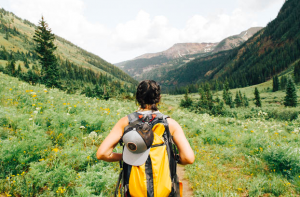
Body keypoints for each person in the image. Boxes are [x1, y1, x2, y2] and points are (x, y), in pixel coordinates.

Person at [96, 80, 194, 196]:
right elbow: (188, 158)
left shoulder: (126, 122)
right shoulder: (170, 124)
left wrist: (127, 156)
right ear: (159, 98)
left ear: (137, 98)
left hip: (135, 191)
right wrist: (173, 158)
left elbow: (102, 154)